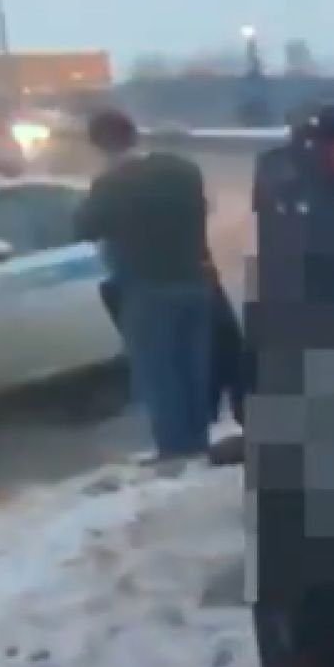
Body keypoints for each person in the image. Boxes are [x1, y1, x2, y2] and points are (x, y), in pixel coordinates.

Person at [73, 110, 217, 460]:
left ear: (99, 145)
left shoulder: (112, 183)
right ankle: (198, 440)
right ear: (134, 135)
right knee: (194, 367)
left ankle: (175, 449)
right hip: (195, 280)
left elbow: (85, 227)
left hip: (147, 287)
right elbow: (202, 211)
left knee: (159, 372)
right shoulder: (184, 172)